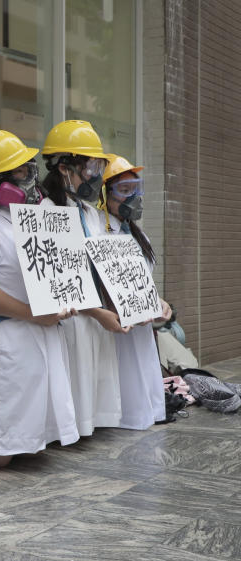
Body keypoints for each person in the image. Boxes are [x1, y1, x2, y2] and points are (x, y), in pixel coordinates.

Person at [0, 128, 80, 467]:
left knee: (32, 443)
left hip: (38, 336)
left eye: (29, 169)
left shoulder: (37, 217)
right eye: (21, 172)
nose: (31, 179)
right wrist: (31, 313)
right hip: (4, 335)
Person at [41, 120, 123, 436]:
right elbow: (58, 278)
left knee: (94, 397)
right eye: (89, 166)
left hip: (98, 315)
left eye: (97, 165)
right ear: (64, 167)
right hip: (71, 317)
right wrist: (97, 311)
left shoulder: (89, 211)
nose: (95, 175)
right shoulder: (46, 210)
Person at [99, 153, 172, 429]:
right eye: (124, 190)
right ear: (105, 194)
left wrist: (158, 302)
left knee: (144, 396)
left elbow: (143, 283)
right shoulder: (99, 234)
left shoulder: (139, 235)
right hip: (116, 330)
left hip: (141, 330)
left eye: (136, 189)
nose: (133, 197)